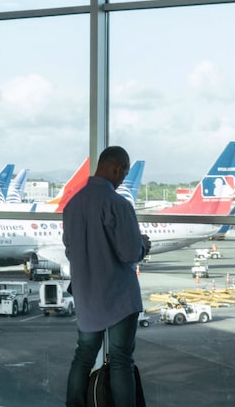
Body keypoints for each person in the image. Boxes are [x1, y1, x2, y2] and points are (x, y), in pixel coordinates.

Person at [62, 146, 151, 407]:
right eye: (124, 172)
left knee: (83, 356)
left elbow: (70, 249)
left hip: (87, 295)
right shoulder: (119, 204)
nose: (123, 178)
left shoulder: (72, 205)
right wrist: (144, 245)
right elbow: (129, 253)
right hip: (119, 297)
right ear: (118, 168)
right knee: (121, 361)